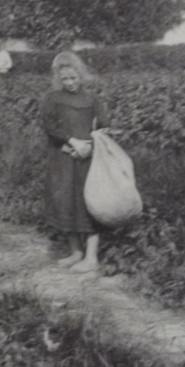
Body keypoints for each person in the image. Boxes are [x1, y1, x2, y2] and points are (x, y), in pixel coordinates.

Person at [40, 51, 109, 273]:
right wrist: (69, 142)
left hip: (87, 159)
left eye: (73, 78)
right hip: (63, 158)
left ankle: (91, 257)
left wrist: (89, 144)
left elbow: (103, 126)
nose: (70, 83)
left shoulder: (91, 99)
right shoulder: (52, 99)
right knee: (65, 201)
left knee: (88, 203)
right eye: (65, 79)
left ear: (81, 75)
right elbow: (50, 127)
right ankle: (76, 251)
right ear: (58, 79)